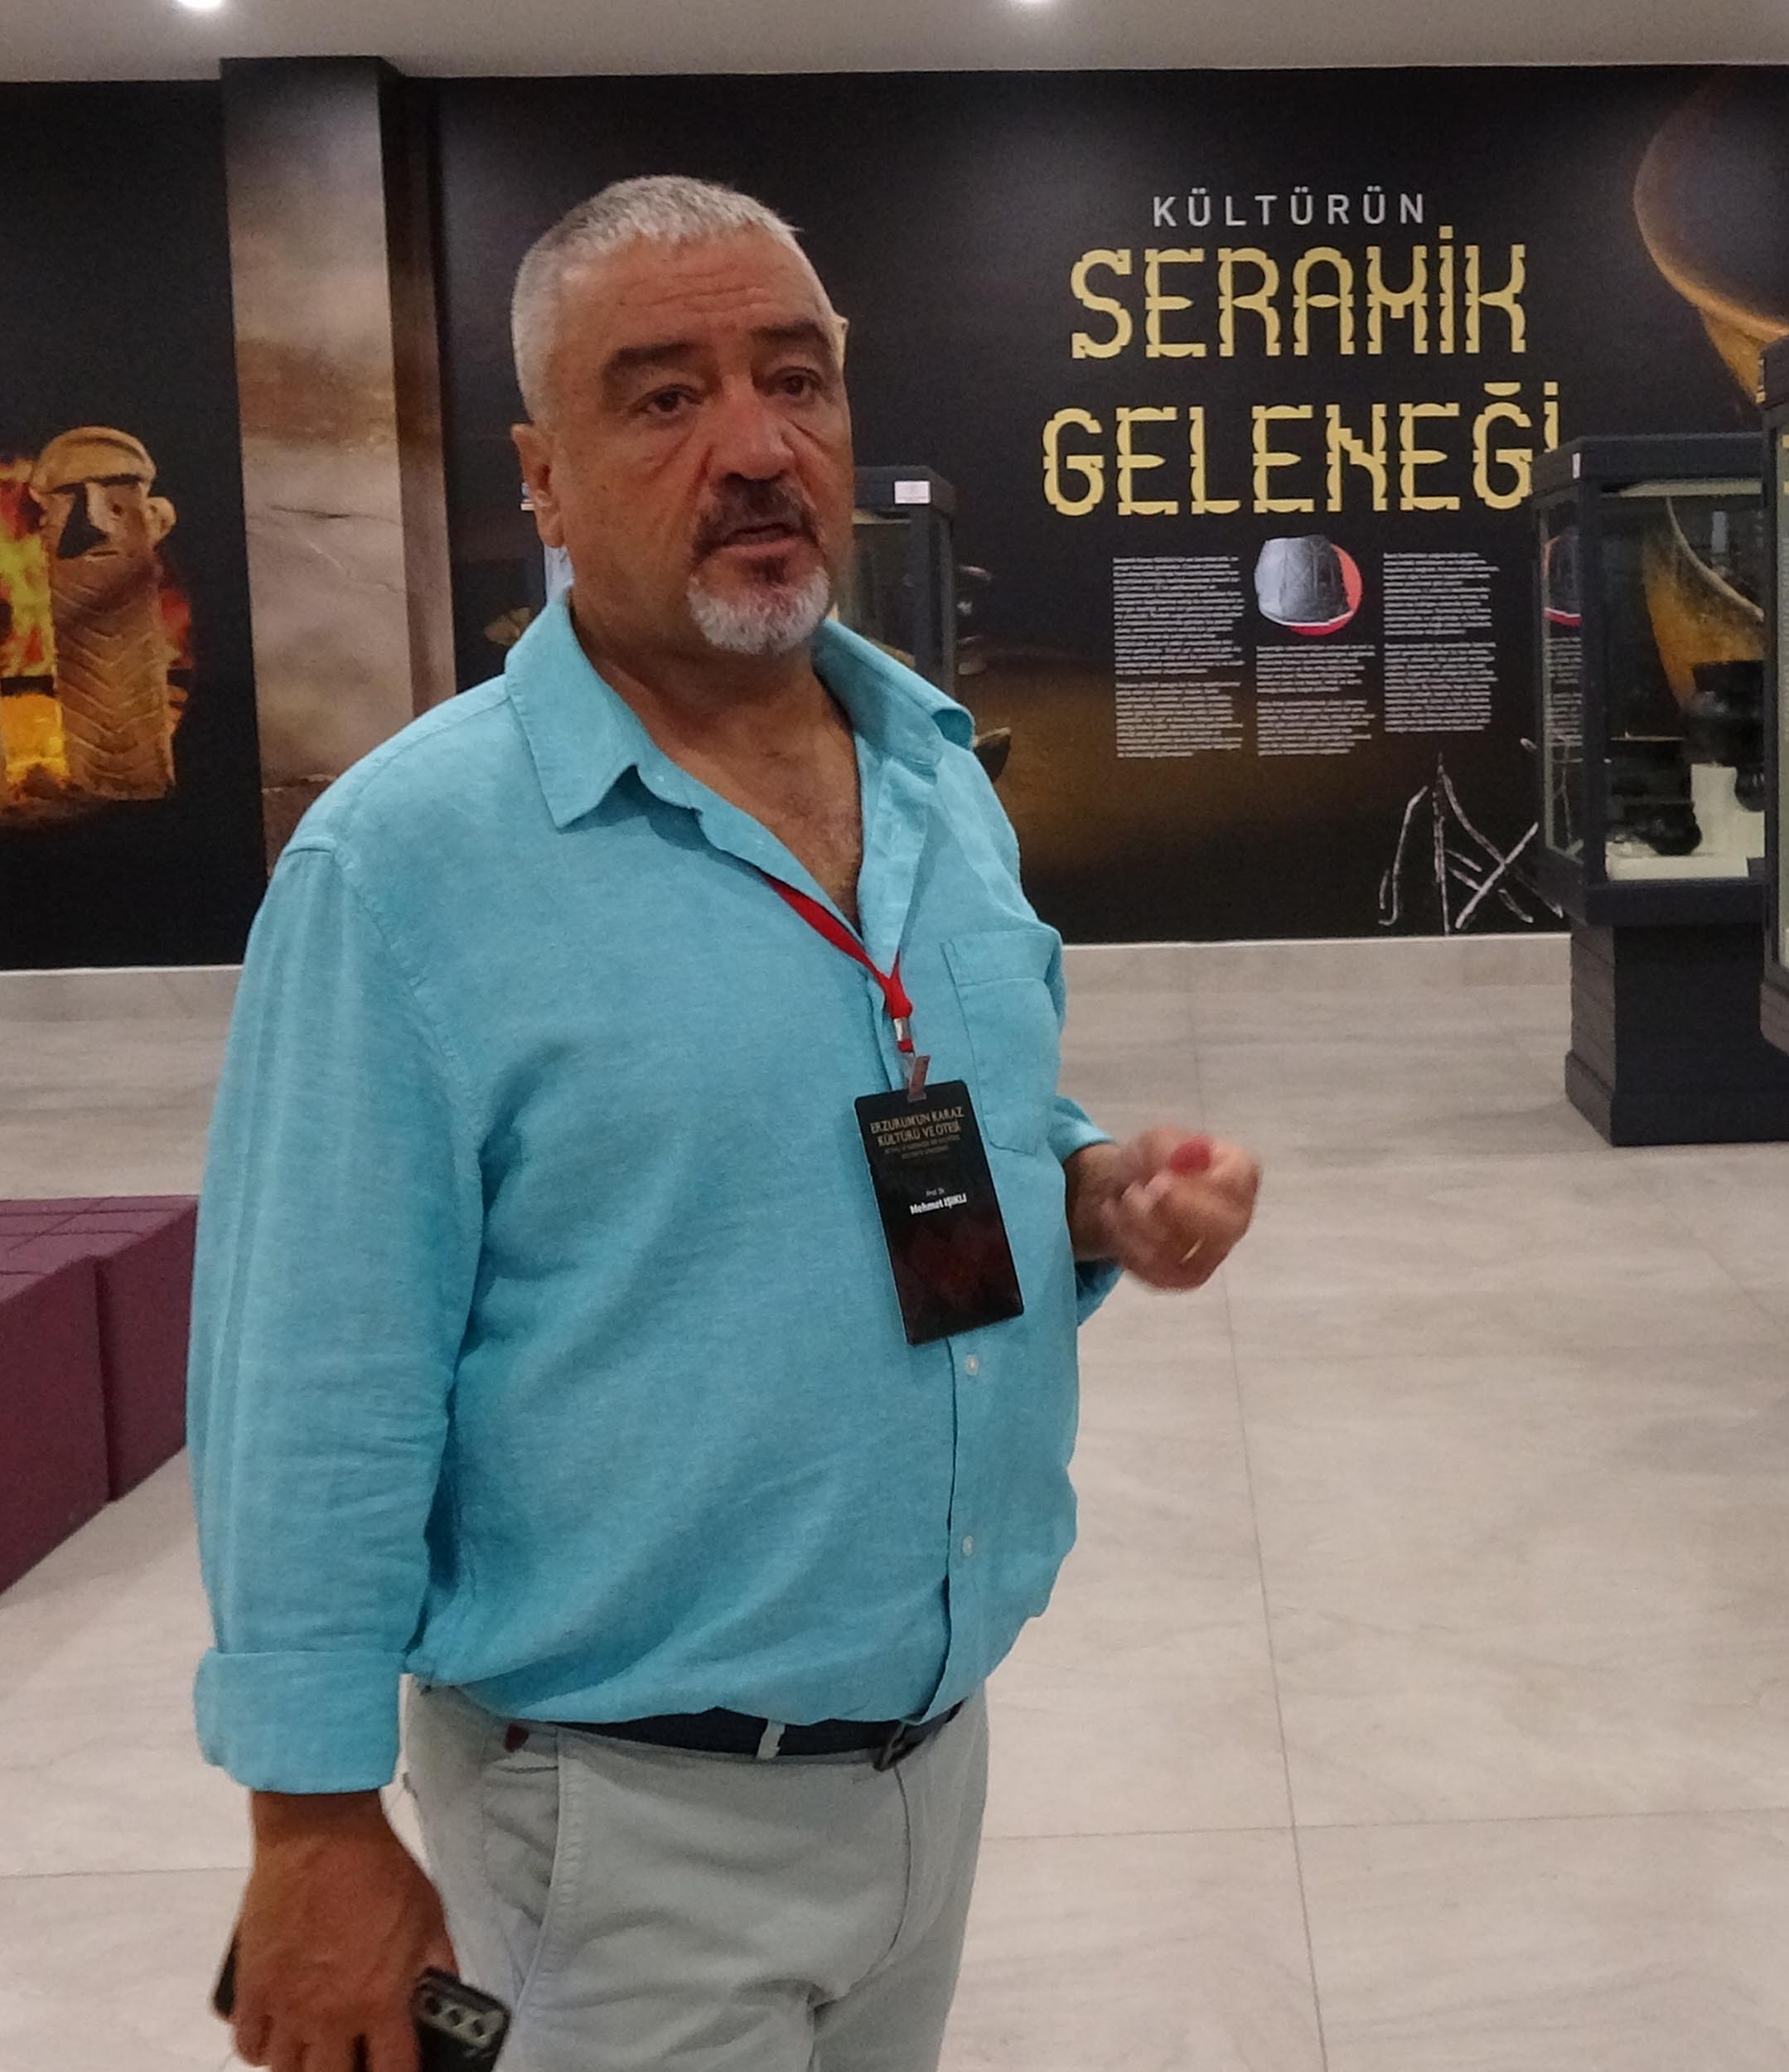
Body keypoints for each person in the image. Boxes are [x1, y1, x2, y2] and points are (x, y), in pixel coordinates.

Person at [188, 175, 1261, 2072]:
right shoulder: (408, 863)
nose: (757, 446)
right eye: (666, 394)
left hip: (930, 1762)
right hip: (619, 1826)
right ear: (542, 474)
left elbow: (930, 1126)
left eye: (795, 380)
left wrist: (1089, 1192)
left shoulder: (933, 775)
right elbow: (312, 1372)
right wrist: (310, 1817)